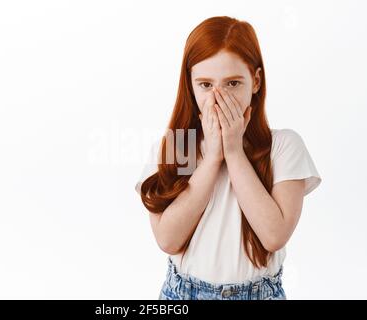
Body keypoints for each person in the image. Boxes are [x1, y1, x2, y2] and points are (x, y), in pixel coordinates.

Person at [135, 16, 322, 300]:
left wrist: (233, 151)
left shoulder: (283, 147)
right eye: (206, 85)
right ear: (191, 85)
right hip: (183, 294)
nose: (218, 97)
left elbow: (274, 235)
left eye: (233, 83)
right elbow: (168, 239)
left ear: (255, 81)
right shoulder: (180, 147)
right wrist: (211, 159)